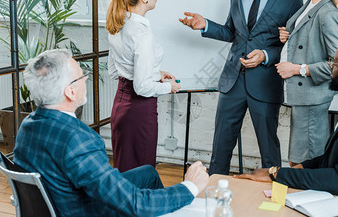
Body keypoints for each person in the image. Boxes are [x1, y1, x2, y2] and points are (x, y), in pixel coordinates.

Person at [13, 49, 209, 216]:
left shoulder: (28, 125)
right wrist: (189, 187)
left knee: (148, 173)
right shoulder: (77, 139)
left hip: (62, 201)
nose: (86, 79)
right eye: (82, 76)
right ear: (70, 92)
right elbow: (135, 204)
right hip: (86, 210)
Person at [179, 0, 303, 175]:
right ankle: (213, 192)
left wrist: (266, 55)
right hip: (232, 81)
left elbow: (293, 46)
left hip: (266, 83)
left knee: (269, 149)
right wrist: (206, 25)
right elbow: (231, 33)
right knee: (221, 146)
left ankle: (272, 201)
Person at [235, 39, 338, 198]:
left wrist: (276, 174)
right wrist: (300, 168)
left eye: (334, 63)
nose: (330, 67)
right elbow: (336, 156)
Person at [276, 0, 338, 166]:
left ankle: (305, 200)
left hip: (312, 100)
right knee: (299, 159)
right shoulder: (311, 5)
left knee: (304, 162)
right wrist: (288, 37)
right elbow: (306, 39)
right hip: (304, 99)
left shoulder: (327, 13)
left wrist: (296, 69)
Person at [106, 0, 181, 172]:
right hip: (139, 111)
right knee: (142, 173)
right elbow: (141, 88)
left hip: (120, 107)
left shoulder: (117, 23)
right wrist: (170, 88)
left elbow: (116, 71)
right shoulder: (141, 33)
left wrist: (156, 73)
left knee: (125, 170)